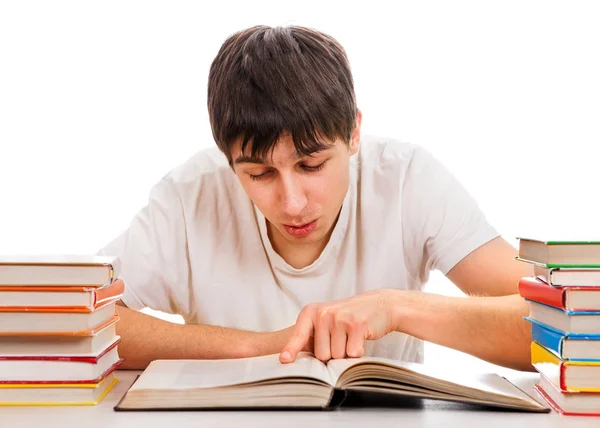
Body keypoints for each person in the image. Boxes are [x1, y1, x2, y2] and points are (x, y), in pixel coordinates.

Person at [100, 25, 534, 371]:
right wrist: (262, 346)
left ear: (354, 133)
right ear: (227, 158)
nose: (291, 203)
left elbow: (560, 324)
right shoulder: (190, 194)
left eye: (311, 166)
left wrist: (396, 307)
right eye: (259, 173)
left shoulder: (406, 179)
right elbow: (78, 317)